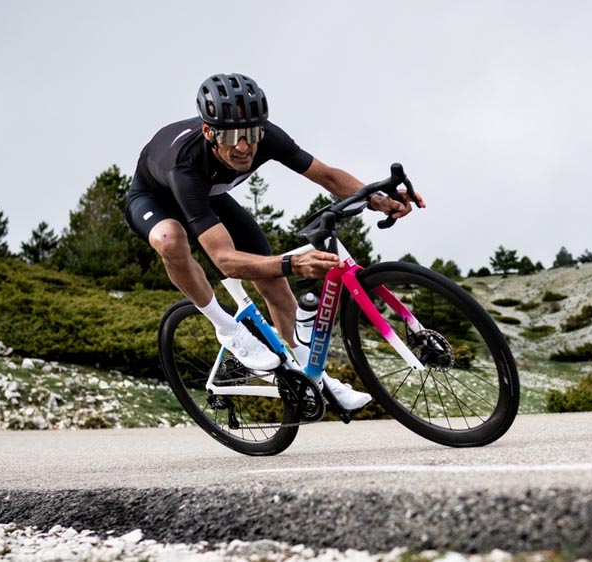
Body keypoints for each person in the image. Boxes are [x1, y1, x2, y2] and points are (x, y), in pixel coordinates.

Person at [125, 73, 424, 410]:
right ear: (210, 133)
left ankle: (317, 379)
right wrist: (294, 262)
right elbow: (224, 259)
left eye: (251, 134)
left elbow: (326, 176)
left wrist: (377, 198)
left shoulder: (266, 138)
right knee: (170, 239)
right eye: (233, 137)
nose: (244, 146)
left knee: (274, 284)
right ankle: (227, 329)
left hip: (208, 197)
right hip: (155, 200)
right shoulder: (185, 162)